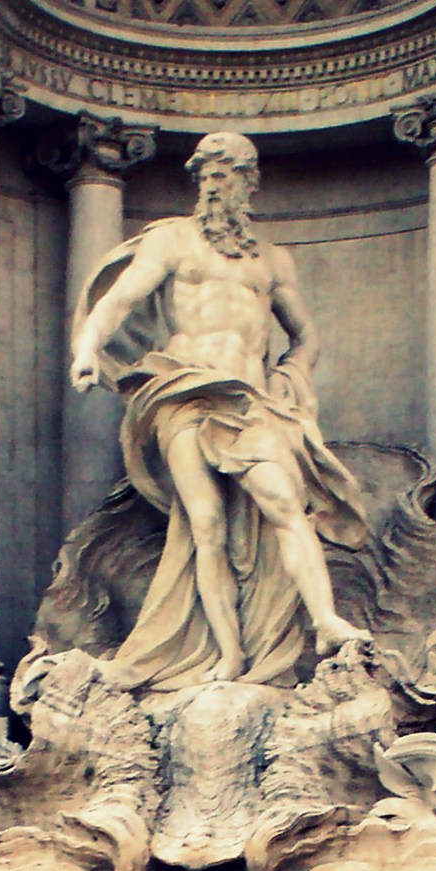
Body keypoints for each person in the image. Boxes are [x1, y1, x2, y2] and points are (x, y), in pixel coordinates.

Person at [66, 132, 372, 690]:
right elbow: (119, 300)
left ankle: (325, 620)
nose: (213, 183)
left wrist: (291, 375)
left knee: (284, 503)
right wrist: (88, 347)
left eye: (225, 173)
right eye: (205, 174)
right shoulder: (173, 242)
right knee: (205, 523)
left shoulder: (272, 260)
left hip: (249, 400)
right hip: (182, 390)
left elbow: (305, 335)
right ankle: (228, 655)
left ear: (248, 183)